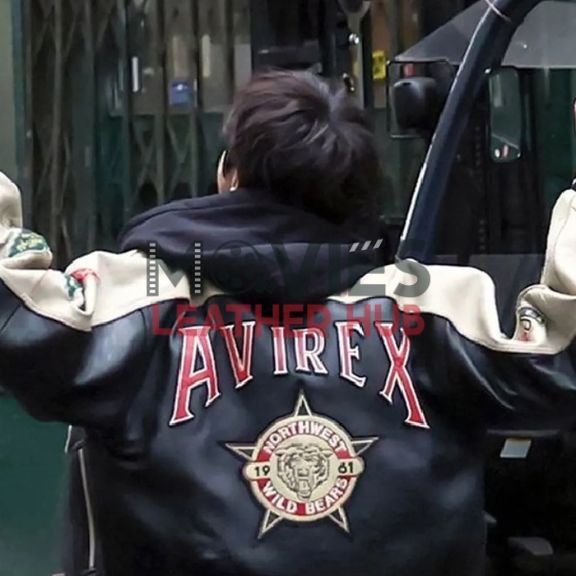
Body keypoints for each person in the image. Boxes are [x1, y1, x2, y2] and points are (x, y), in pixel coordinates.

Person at [1, 70, 576, 576]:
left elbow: (13, 313)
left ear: (229, 175)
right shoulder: (437, 306)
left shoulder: (130, 299)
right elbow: (559, 362)